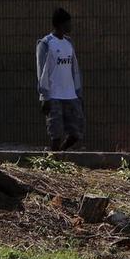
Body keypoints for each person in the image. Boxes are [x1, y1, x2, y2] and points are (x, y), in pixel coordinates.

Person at [36, 8, 84, 151]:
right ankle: (54, 158)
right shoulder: (46, 43)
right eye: (68, 23)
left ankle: (61, 153)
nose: (71, 25)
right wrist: (45, 96)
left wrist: (78, 92)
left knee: (76, 133)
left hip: (70, 95)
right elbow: (41, 70)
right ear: (60, 24)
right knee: (56, 135)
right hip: (54, 96)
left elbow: (74, 69)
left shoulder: (69, 43)